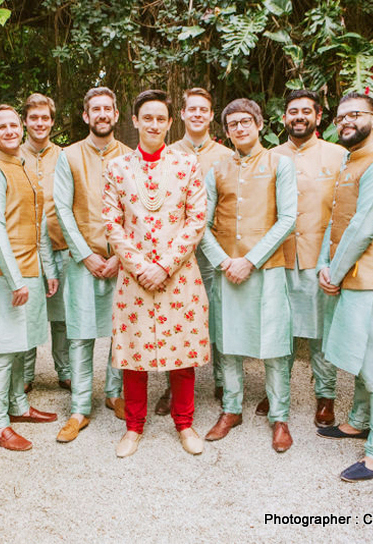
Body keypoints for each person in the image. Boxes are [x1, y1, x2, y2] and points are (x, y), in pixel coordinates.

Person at [102, 89, 210, 458]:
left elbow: (196, 219)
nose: (153, 124)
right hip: (134, 277)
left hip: (178, 275)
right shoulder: (117, 168)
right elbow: (111, 223)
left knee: (181, 356)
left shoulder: (187, 165)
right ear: (134, 121)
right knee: (135, 355)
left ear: (170, 122)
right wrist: (140, 266)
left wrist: (164, 265)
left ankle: (185, 423)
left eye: (160, 118)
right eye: (146, 117)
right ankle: (133, 427)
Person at [316, 92, 373, 482]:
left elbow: (364, 228)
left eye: (355, 114)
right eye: (340, 117)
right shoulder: (351, 161)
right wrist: (325, 264)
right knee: (358, 360)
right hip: (348, 277)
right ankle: (358, 422)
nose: (346, 121)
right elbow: (336, 220)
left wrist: (333, 274)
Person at [200, 99, 298, 453]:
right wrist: (225, 261)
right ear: (225, 131)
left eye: (245, 122)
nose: (240, 128)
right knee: (228, 343)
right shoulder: (217, 169)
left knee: (274, 345)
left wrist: (251, 261)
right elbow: (201, 221)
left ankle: (280, 417)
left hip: (266, 268)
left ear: (259, 124)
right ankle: (231, 409)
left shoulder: (279, 164)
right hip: (227, 270)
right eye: (233, 124)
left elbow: (288, 219)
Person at [255, 90, 347, 427]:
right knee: (280, 329)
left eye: (306, 111)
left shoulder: (338, 156)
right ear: (283, 118)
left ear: (318, 116)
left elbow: (344, 211)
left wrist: (335, 260)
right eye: (292, 111)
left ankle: (325, 396)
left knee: (320, 333)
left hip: (318, 259)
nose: (299, 117)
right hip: (278, 258)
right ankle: (276, 391)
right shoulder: (269, 156)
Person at [0, 104, 60, 451]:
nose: (11, 131)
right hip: (3, 276)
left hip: (31, 272)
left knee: (21, 346)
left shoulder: (23, 169)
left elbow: (39, 227)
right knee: (1, 349)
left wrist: (47, 270)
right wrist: (14, 279)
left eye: (14, 125)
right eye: (2, 127)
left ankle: (19, 406)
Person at [53, 87, 130, 442]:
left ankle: (115, 393)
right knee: (81, 336)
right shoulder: (68, 157)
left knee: (121, 332)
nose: (101, 114)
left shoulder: (131, 157)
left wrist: (119, 256)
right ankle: (80, 409)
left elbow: (138, 213)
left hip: (123, 262)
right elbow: (63, 210)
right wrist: (86, 255)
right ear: (86, 116)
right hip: (82, 261)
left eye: (107, 109)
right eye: (95, 109)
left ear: (115, 116)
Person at [153, 88, 233, 415]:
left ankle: (222, 380)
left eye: (204, 109)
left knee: (217, 311)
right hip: (176, 251)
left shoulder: (226, 155)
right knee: (175, 317)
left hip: (214, 249)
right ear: (182, 115)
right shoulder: (166, 152)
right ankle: (172, 389)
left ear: (211, 115)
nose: (198, 114)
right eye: (192, 109)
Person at [17, 93, 71, 392]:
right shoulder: (13, 155)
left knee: (61, 317)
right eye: (34, 117)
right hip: (25, 250)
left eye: (45, 118)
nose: (40, 123)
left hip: (60, 245)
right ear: (25, 121)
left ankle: (65, 371)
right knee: (28, 313)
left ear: (52, 122)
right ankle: (25, 376)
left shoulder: (64, 156)